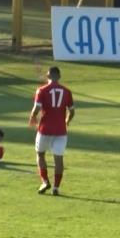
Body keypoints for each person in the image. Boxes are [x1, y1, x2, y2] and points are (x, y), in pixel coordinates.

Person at [28, 66, 74, 196]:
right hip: (61, 131)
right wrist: (67, 121)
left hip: (45, 129)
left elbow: (37, 108)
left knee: (40, 154)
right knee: (58, 159)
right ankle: (56, 187)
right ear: (59, 76)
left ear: (47, 76)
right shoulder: (67, 91)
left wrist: (32, 117)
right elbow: (72, 111)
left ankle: (44, 181)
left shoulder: (42, 90)